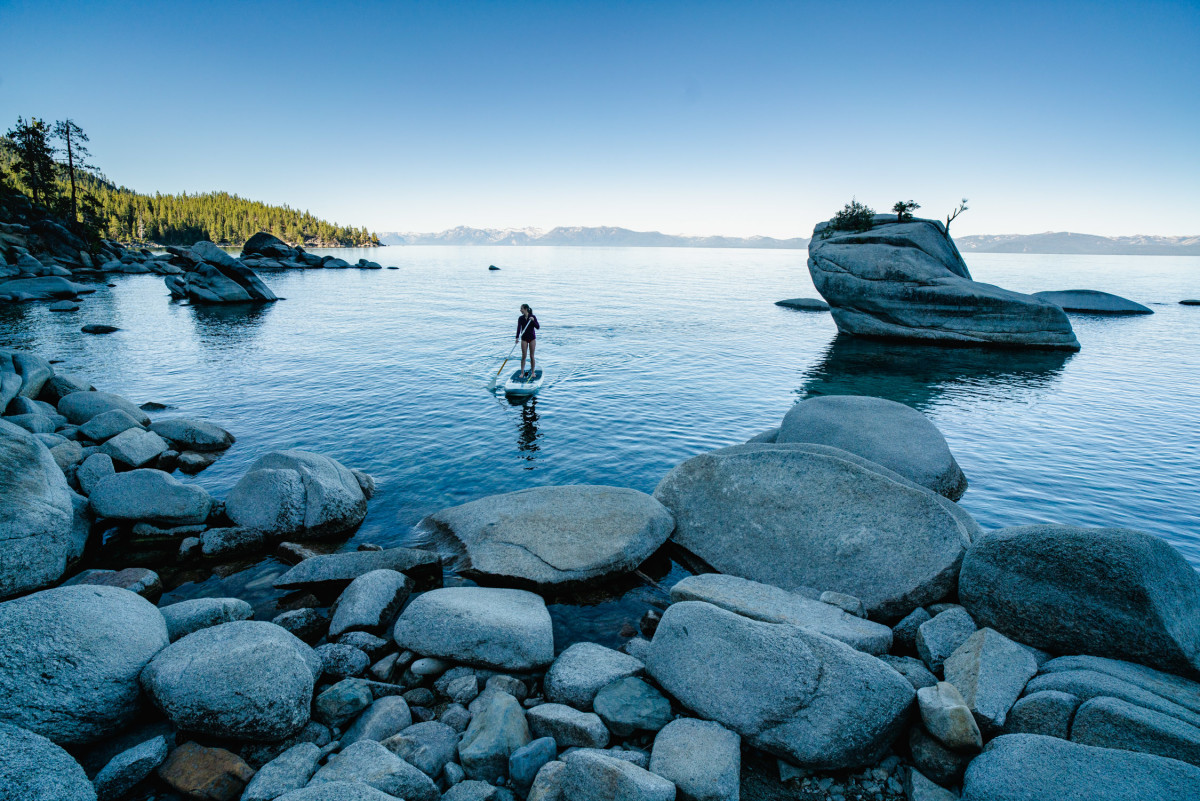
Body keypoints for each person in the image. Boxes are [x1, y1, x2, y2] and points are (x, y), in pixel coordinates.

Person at [516, 303, 540, 379]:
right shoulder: (520, 318)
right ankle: (522, 373)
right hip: (524, 339)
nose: (520, 310)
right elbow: (519, 328)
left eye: (521, 309)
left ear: (525, 309)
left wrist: (533, 321)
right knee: (524, 356)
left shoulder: (533, 317)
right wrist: (517, 338)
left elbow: (538, 327)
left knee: (531, 356)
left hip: (532, 338)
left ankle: (533, 372)